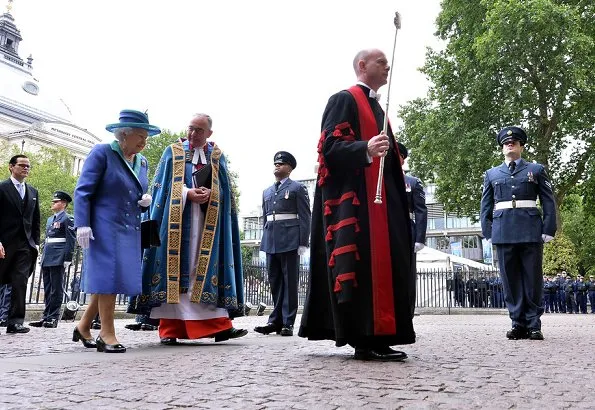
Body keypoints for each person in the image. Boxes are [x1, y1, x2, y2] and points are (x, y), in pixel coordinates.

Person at [299, 49, 415, 361]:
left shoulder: (379, 107)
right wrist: (366, 148)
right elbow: (331, 148)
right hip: (358, 207)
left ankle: (382, 335)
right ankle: (364, 338)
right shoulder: (344, 99)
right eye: (381, 62)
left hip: (383, 204)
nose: (387, 66)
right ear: (362, 66)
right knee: (361, 268)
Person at [129, 113, 247, 345]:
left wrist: (213, 195)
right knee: (176, 270)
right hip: (176, 222)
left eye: (199, 131)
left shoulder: (217, 156)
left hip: (207, 224)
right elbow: (161, 187)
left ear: (209, 133)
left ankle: (220, 327)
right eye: (191, 128)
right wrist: (186, 193)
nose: (193, 134)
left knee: (204, 269)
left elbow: (225, 192)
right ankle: (170, 329)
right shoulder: (172, 152)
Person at [73, 109, 159, 352]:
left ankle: (83, 326)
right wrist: (82, 223)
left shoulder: (142, 162)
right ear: (124, 135)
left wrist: (144, 203)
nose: (144, 141)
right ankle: (106, 333)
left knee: (112, 278)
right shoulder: (103, 152)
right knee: (108, 277)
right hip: (102, 226)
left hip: (128, 228)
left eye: (146, 137)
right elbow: (83, 190)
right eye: (140, 136)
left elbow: (135, 193)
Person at [480, 126, 557, 340]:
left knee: (532, 279)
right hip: (503, 231)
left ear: (521, 145)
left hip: (530, 230)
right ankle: (517, 323)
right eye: (506, 143)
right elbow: (485, 206)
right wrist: (488, 232)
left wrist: (549, 228)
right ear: (502, 148)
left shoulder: (536, 169)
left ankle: (533, 324)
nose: (509, 144)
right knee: (510, 280)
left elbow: (548, 201)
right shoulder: (492, 174)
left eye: (513, 142)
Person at [254, 151, 311, 337]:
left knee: (290, 283)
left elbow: (305, 216)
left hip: (290, 240)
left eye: (282, 163)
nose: (277, 166)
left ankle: (288, 322)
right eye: (276, 163)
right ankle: (275, 321)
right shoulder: (267, 191)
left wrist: (303, 242)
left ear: (290, 168)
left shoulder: (297, 188)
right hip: (271, 240)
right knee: (275, 282)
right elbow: (265, 218)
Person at [0, 154, 40, 334]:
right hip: (4, 244)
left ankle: (15, 321)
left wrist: (36, 243)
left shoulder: (33, 192)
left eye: (28, 166)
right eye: (22, 165)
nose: (26, 169)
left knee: (20, 281)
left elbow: (36, 220)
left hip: (25, 245)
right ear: (11, 167)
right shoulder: (2, 188)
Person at [29, 191, 76, 329]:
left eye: (56, 202)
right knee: (48, 288)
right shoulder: (50, 220)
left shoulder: (68, 219)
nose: (53, 203)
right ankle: (46, 316)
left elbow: (70, 240)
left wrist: (68, 258)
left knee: (56, 288)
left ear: (63, 203)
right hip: (48, 256)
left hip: (58, 257)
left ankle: (53, 317)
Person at [397, 142, 427, 316]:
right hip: (384, 230)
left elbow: (421, 211)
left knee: (407, 276)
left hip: (406, 230)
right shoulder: (379, 181)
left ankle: (407, 316)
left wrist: (420, 239)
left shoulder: (412, 182)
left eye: (398, 156)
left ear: (403, 160)